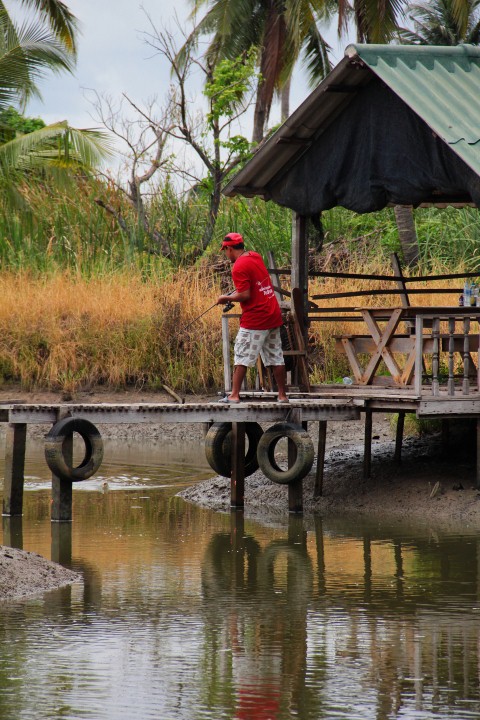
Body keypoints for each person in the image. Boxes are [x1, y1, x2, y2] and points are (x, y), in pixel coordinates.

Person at [216, 232, 289, 403]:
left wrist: (225, 298)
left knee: (242, 355)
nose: (226, 255)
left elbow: (245, 294)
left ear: (229, 248)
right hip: (272, 314)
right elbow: (253, 285)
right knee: (276, 356)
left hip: (256, 319)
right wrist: (234, 294)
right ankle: (282, 395)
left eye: (225, 251)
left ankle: (234, 395)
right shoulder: (254, 256)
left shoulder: (238, 267)